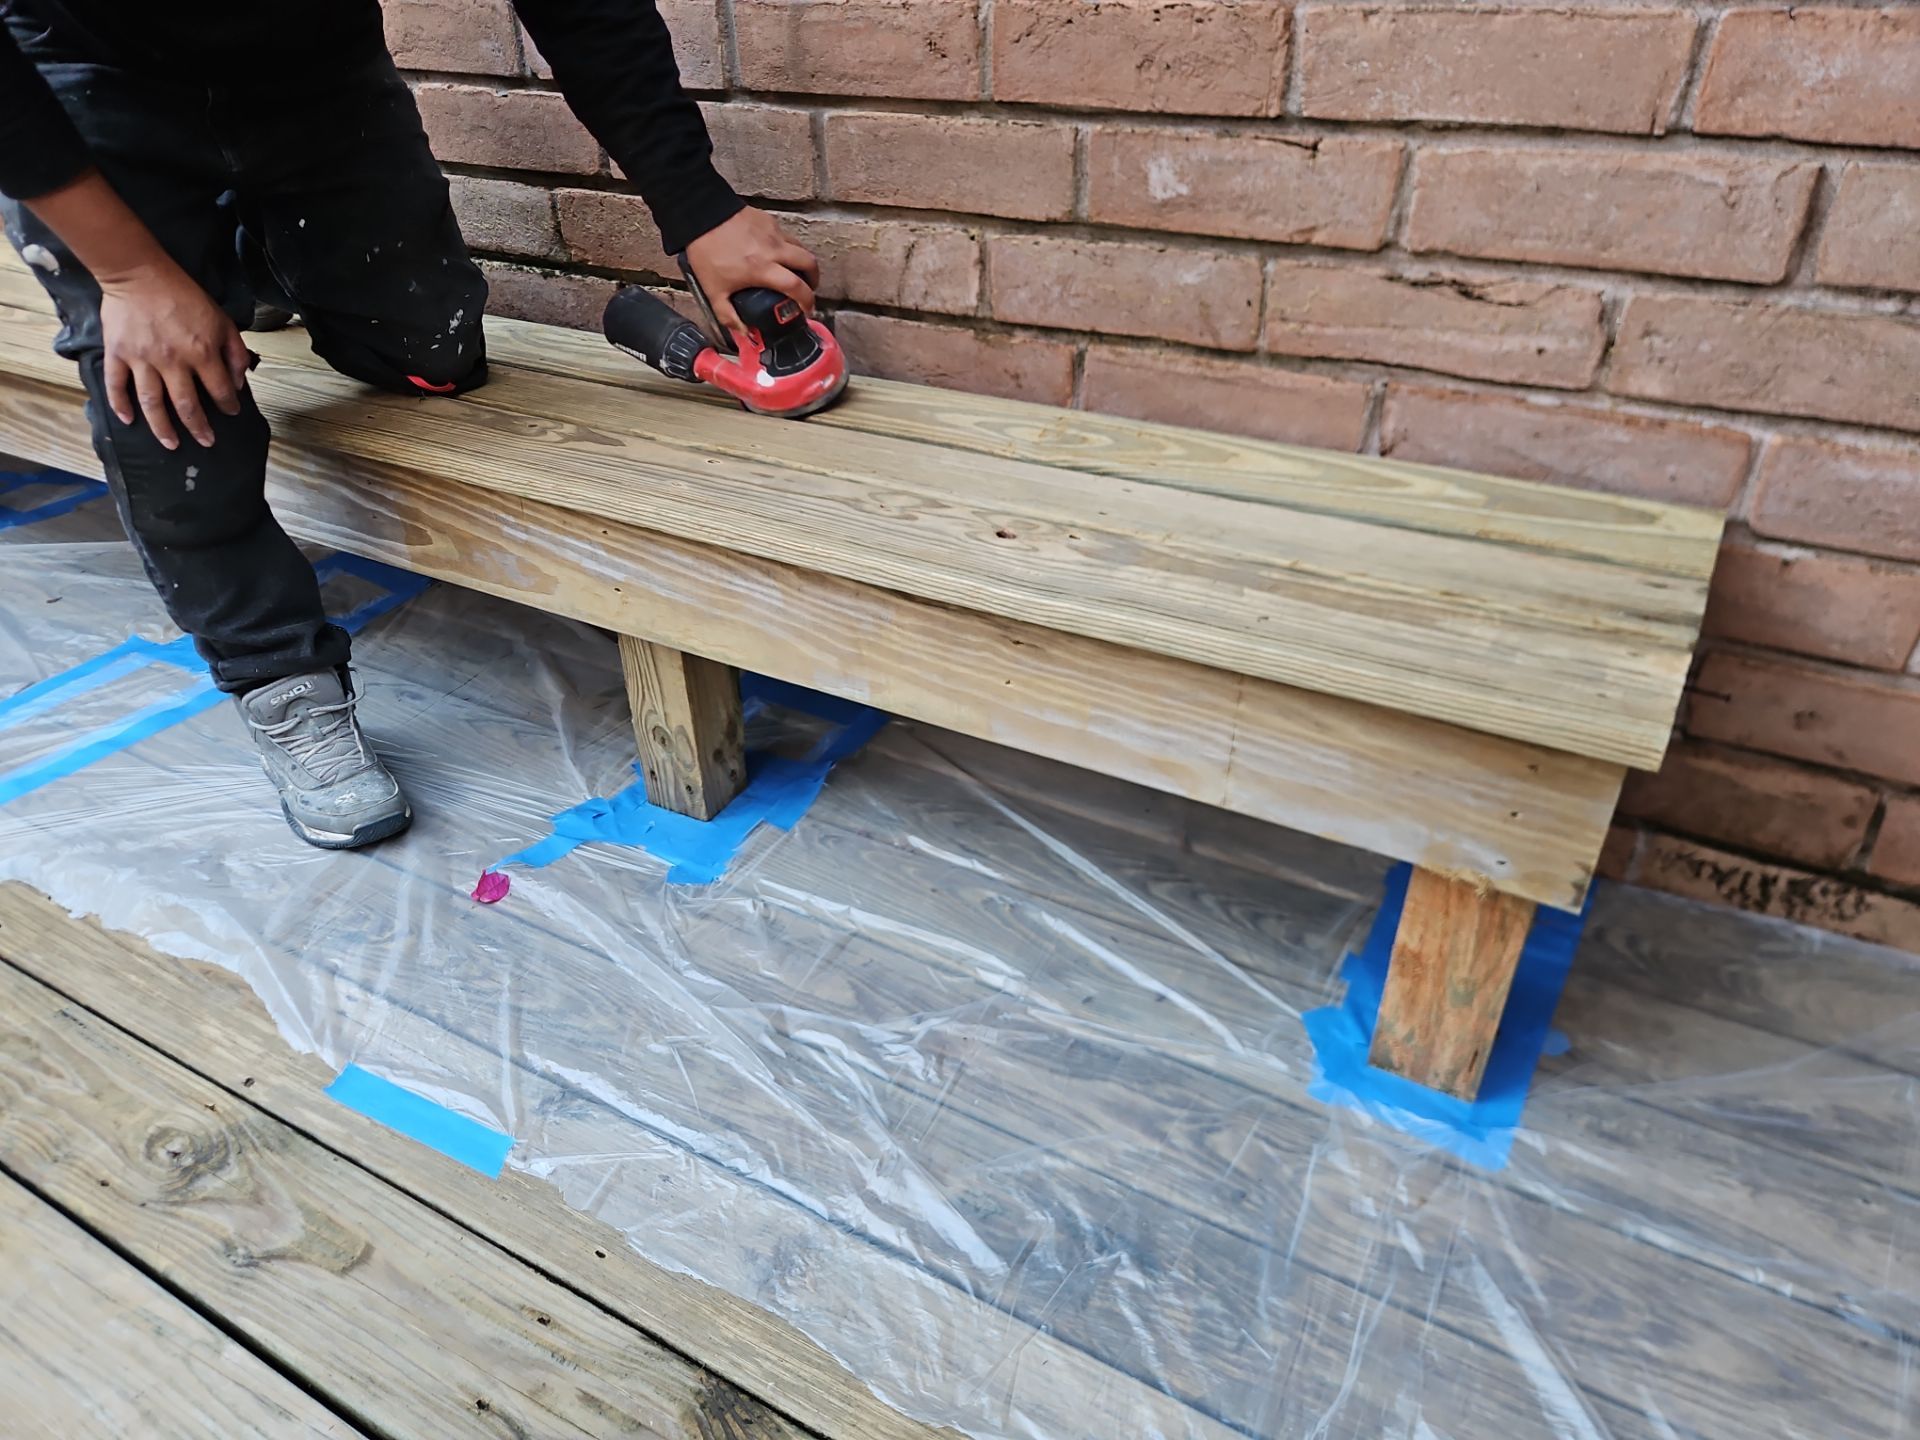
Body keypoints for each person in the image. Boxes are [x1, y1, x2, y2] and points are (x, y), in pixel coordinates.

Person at [0, 0, 820, 849]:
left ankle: (245, 261)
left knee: (435, 355)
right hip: (85, 78)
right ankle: (279, 675)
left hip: (309, 62)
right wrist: (133, 275)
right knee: (165, 394)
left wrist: (697, 208)